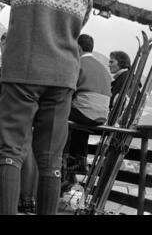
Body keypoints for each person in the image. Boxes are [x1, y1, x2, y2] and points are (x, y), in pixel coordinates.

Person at [0, 0, 93, 214]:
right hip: (63, 76)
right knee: (51, 159)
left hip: (24, 70)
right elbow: (82, 22)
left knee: (11, 152)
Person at [62, 34, 111, 192]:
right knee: (80, 115)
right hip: (102, 115)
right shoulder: (103, 67)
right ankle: (80, 158)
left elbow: (67, 90)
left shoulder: (77, 63)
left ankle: (64, 157)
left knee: (58, 111)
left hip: (85, 112)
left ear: (79, 48)